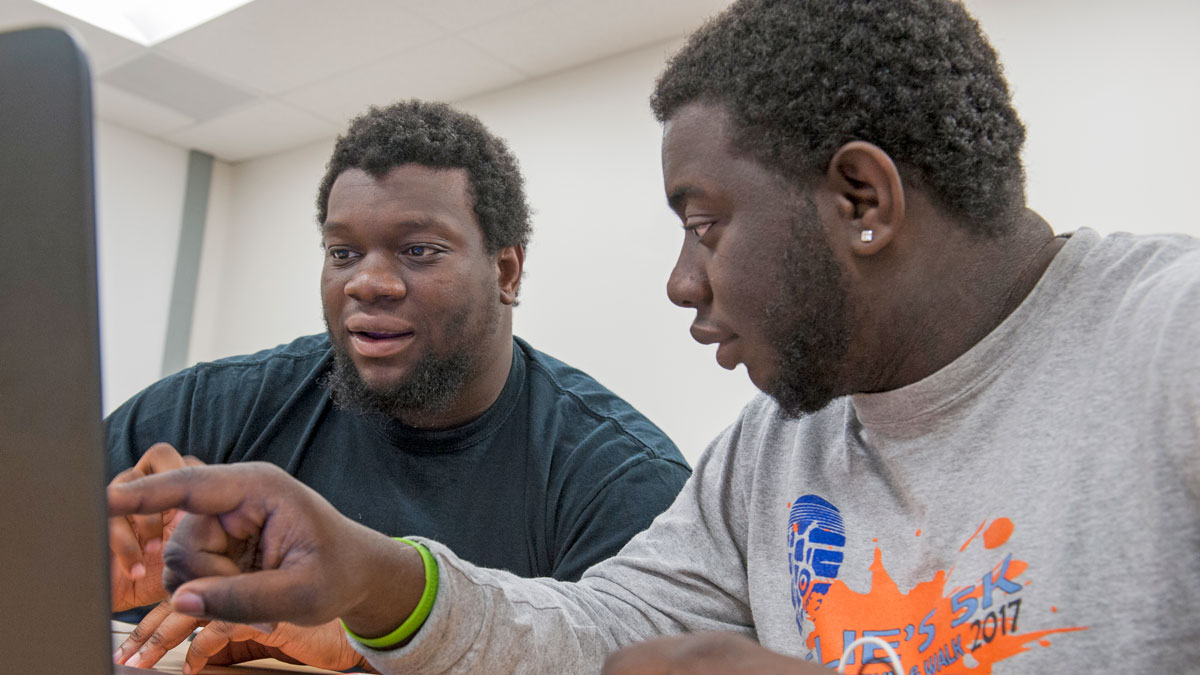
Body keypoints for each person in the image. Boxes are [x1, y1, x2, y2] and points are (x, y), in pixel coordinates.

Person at [108, 0, 1200, 673]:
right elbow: (600, 636)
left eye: (706, 224)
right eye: (343, 253)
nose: (683, 283)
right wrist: (377, 577)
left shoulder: (1169, 344)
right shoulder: (772, 452)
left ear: (861, 198)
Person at [105, 100, 690, 671]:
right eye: (343, 252)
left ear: (505, 271)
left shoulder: (620, 479)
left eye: (418, 250)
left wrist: (368, 642)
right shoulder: (216, 409)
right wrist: (78, 566)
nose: (369, 282)